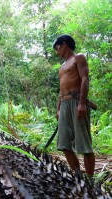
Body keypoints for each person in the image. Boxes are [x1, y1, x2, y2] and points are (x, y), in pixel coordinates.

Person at [53, 34, 95, 178]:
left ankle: (90, 182)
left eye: (57, 48)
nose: (57, 52)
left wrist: (82, 103)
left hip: (77, 102)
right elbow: (61, 89)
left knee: (85, 145)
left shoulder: (79, 58)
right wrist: (58, 108)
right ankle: (79, 178)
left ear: (64, 44)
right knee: (64, 145)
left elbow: (85, 79)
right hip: (64, 105)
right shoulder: (62, 67)